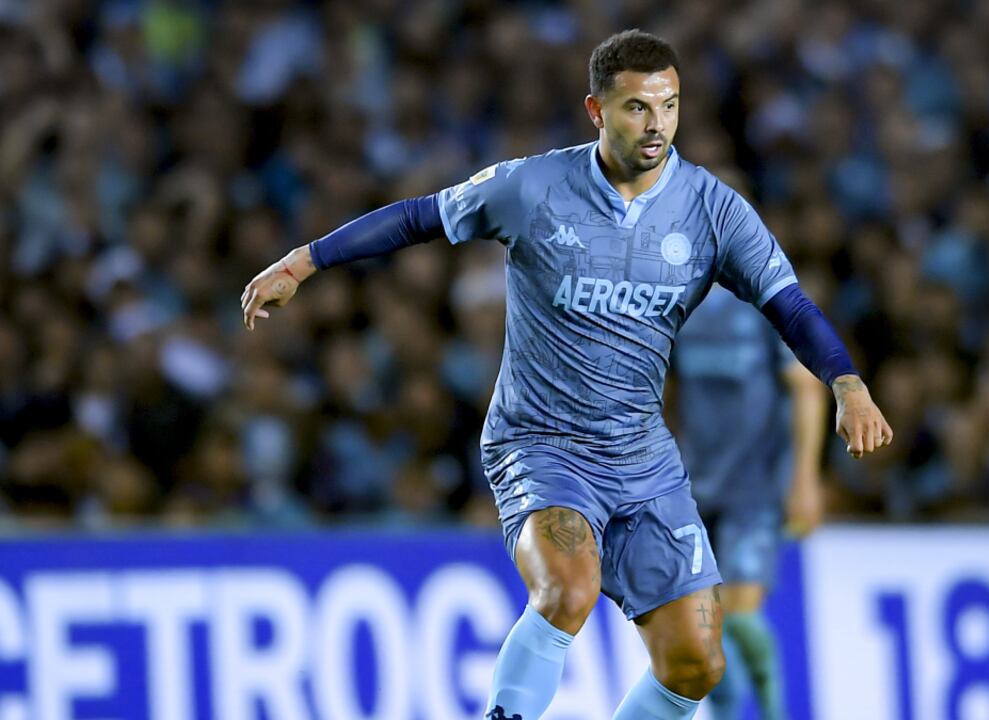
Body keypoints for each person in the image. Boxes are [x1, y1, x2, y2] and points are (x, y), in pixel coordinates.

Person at [241, 29, 892, 720]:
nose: (657, 124)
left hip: (643, 459)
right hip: (541, 443)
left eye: (669, 106)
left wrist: (846, 382)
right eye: (638, 107)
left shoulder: (712, 208)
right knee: (569, 587)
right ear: (596, 110)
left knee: (696, 665)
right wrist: (304, 261)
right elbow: (417, 217)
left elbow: (787, 303)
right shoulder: (535, 187)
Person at [669, 283, 829, 720]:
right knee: (705, 632)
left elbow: (807, 388)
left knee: (739, 616)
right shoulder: (678, 299)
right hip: (695, 489)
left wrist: (804, 480)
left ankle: (776, 712)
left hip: (755, 487)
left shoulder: (766, 299)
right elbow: (667, 393)